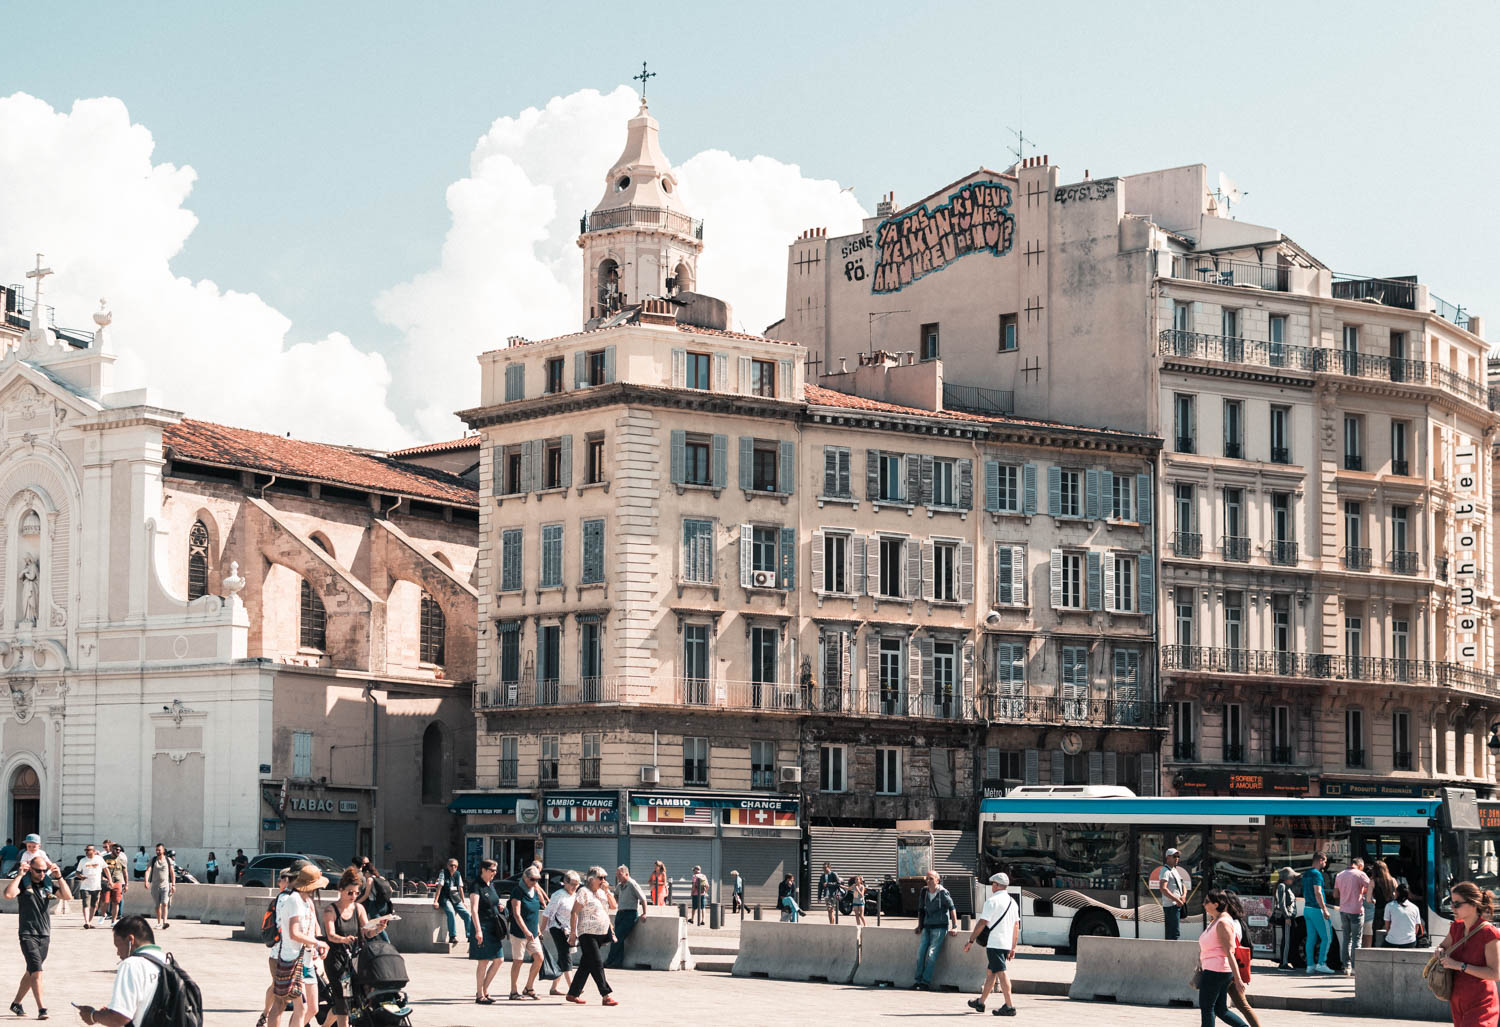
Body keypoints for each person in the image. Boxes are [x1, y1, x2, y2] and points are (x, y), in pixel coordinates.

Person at [322, 867, 392, 1027]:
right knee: (343, 1001)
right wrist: (344, 939)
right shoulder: (330, 910)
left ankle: (325, 1026)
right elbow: (331, 935)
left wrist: (379, 928)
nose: (353, 896)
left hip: (354, 960)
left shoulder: (359, 909)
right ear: (340, 890)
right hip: (337, 961)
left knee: (350, 1001)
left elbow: (367, 932)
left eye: (356, 893)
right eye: (350, 892)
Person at [7, 855, 71, 1020]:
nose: (42, 873)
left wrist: (59, 876)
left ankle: (16, 1003)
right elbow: (9, 894)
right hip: (27, 934)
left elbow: (68, 896)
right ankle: (42, 1008)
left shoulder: (47, 885)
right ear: (31, 869)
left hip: (44, 933)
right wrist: (20, 874)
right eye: (38, 871)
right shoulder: (23, 883)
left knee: (31, 971)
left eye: (44, 871)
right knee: (37, 971)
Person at [73, 916, 167, 1027]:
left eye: (118, 946)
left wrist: (93, 1016)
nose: (118, 953)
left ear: (130, 940)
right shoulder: (167, 960)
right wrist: (111, 1011)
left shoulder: (131, 964)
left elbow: (120, 1018)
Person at [269, 863, 329, 1027]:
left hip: (307, 960)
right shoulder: (294, 900)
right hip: (294, 960)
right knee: (300, 1008)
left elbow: (311, 928)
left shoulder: (306, 900)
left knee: (313, 1008)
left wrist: (316, 946)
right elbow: (294, 932)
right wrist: (317, 942)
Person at [1438, 881, 1500, 1027]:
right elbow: (1442, 946)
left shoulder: (1489, 933)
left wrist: (1459, 965)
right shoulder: (1456, 927)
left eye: (1457, 904)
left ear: (1473, 904)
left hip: (1481, 1003)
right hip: (1457, 1000)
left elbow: (1495, 974)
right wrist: (1439, 951)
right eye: (1451, 903)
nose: (1452, 907)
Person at [963, 872, 1020, 1016]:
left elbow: (982, 923)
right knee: (991, 973)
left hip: (995, 943)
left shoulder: (992, 901)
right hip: (1006, 943)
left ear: (996, 885)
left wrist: (971, 940)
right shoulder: (1013, 902)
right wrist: (1013, 947)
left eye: (992, 884)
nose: (991, 886)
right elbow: (1016, 926)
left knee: (1001, 972)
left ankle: (1010, 1006)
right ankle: (981, 1003)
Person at [1197, 890, 1251, 1027]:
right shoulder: (1216, 920)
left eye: (1206, 902)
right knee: (1220, 1009)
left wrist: (1238, 979)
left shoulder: (1223, 923)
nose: (1203, 904)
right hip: (1215, 970)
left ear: (1216, 904)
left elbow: (1229, 952)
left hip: (1216, 971)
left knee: (1207, 1007)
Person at [566, 867, 618, 1006]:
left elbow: (613, 907)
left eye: (604, 878)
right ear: (591, 879)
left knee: (586, 964)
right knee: (597, 963)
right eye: (600, 878)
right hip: (587, 933)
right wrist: (573, 932)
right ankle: (605, 995)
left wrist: (607, 891)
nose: (603, 881)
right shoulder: (584, 892)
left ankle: (573, 993)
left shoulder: (601, 892)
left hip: (601, 932)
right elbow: (574, 912)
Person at [912, 870, 958, 991]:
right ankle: (917, 980)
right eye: (927, 879)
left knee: (931, 955)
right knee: (920, 954)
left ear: (937, 880)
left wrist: (954, 926)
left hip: (940, 927)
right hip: (927, 926)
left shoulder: (943, 893)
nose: (928, 881)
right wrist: (919, 925)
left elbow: (952, 908)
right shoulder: (924, 892)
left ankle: (925, 982)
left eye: (931, 879)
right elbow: (921, 910)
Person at [1222, 893, 1263, 1027]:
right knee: (1240, 1006)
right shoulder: (1238, 922)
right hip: (1231, 970)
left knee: (1215, 1007)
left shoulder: (1229, 924)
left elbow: (1229, 949)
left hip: (1227, 970)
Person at [467, 859, 505, 1004]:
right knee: (483, 961)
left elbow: (493, 901)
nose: (494, 873)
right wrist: (478, 931)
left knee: (499, 959)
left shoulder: (492, 885)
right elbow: (474, 910)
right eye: (492, 870)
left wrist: (500, 906)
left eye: (496, 870)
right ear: (483, 870)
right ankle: (479, 994)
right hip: (482, 926)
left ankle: (484, 989)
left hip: (493, 926)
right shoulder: (476, 885)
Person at [507, 865, 545, 1000]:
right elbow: (517, 914)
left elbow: (535, 913)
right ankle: (513, 991)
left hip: (533, 932)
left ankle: (529, 987)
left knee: (539, 958)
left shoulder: (535, 890)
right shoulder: (518, 891)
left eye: (537, 879)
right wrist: (525, 930)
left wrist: (538, 930)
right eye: (532, 879)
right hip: (519, 932)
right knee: (518, 961)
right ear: (524, 878)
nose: (534, 882)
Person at [543, 871, 581, 995]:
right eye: (572, 884)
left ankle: (554, 988)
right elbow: (547, 913)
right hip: (557, 928)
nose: (574, 887)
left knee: (562, 957)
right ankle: (573, 988)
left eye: (577, 885)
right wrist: (541, 930)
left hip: (569, 930)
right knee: (565, 956)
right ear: (565, 883)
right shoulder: (558, 895)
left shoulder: (575, 896)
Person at [1333, 856, 1370, 975]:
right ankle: (1355, 968)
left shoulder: (1339, 875)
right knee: (1356, 940)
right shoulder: (1361, 874)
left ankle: (1346, 967)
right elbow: (1370, 888)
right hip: (1356, 911)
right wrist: (1362, 891)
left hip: (1343, 910)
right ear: (1360, 866)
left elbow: (1335, 894)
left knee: (1346, 940)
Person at [608, 865, 648, 969]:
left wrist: (644, 913)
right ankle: (617, 962)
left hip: (629, 914)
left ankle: (609, 961)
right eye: (617, 875)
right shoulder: (620, 885)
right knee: (618, 939)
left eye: (620, 875)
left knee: (617, 937)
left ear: (626, 874)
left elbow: (643, 899)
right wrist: (615, 902)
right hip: (620, 913)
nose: (618, 877)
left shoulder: (632, 884)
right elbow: (615, 895)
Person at [1302, 851, 1334, 974]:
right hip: (1317, 909)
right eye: (1325, 861)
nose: (1325, 864)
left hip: (1307, 908)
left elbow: (1305, 891)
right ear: (1320, 860)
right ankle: (1321, 963)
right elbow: (1318, 892)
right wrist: (1324, 909)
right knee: (1327, 937)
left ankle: (1310, 965)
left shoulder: (1306, 874)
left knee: (1311, 938)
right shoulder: (1317, 875)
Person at [434, 857, 474, 948]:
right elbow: (439, 887)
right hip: (445, 898)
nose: (453, 867)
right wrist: (435, 901)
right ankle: (452, 936)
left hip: (455, 898)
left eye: (455, 866)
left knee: (467, 914)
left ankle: (470, 936)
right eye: (451, 865)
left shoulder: (457, 874)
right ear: (447, 866)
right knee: (451, 912)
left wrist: (463, 901)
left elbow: (460, 888)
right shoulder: (443, 873)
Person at [1381, 883, 1424, 949]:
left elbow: (1387, 927)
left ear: (1397, 893)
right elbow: (1417, 927)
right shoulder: (1415, 908)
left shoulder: (1389, 906)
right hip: (1410, 942)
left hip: (1392, 941)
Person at [1159, 847, 1190, 940]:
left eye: (1178, 856)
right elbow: (1163, 889)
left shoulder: (1174, 870)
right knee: (1173, 933)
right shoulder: (1165, 871)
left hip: (1177, 904)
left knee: (1175, 932)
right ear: (1168, 857)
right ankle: (1170, 953)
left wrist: (1183, 896)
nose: (1177, 858)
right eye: (1174, 856)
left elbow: (1182, 884)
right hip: (1171, 906)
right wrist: (1177, 900)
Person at [144, 844, 175, 931]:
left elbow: (172, 873)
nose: (157, 851)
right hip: (155, 886)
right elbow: (148, 870)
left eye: (159, 850)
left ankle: (165, 922)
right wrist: (146, 881)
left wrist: (173, 884)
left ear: (163, 851)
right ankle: (159, 922)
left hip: (165, 885)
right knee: (157, 905)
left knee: (165, 903)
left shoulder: (168, 860)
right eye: (156, 850)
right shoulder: (153, 860)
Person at [1272, 867, 1298, 969]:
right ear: (1287, 877)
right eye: (1292, 877)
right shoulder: (1282, 886)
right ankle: (1283, 963)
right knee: (1286, 940)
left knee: (1287, 939)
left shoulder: (1284, 886)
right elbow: (1282, 903)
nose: (1293, 879)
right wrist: (1287, 916)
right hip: (1286, 917)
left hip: (1288, 916)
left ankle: (1285, 961)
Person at [1369, 860, 1398, 947]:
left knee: (1377, 931)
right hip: (1392, 910)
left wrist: (1374, 901)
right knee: (1391, 930)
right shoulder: (1393, 880)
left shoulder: (1373, 881)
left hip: (1379, 910)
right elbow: (1397, 895)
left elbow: (1368, 899)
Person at [77, 844, 106, 928]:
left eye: (88, 850)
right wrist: (80, 876)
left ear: (93, 851)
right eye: (86, 850)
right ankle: (86, 921)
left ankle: (89, 922)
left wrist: (110, 880)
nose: (87, 852)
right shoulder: (83, 860)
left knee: (94, 905)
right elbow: (77, 872)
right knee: (86, 904)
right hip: (85, 886)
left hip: (96, 886)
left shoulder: (99, 859)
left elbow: (106, 868)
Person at [103, 845, 128, 923]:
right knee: (105, 901)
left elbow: (125, 872)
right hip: (106, 882)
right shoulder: (105, 858)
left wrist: (127, 884)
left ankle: (113, 921)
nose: (118, 851)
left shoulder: (121, 859)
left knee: (116, 902)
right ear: (112, 849)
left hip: (118, 882)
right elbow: (100, 870)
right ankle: (104, 914)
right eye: (117, 849)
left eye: (119, 850)